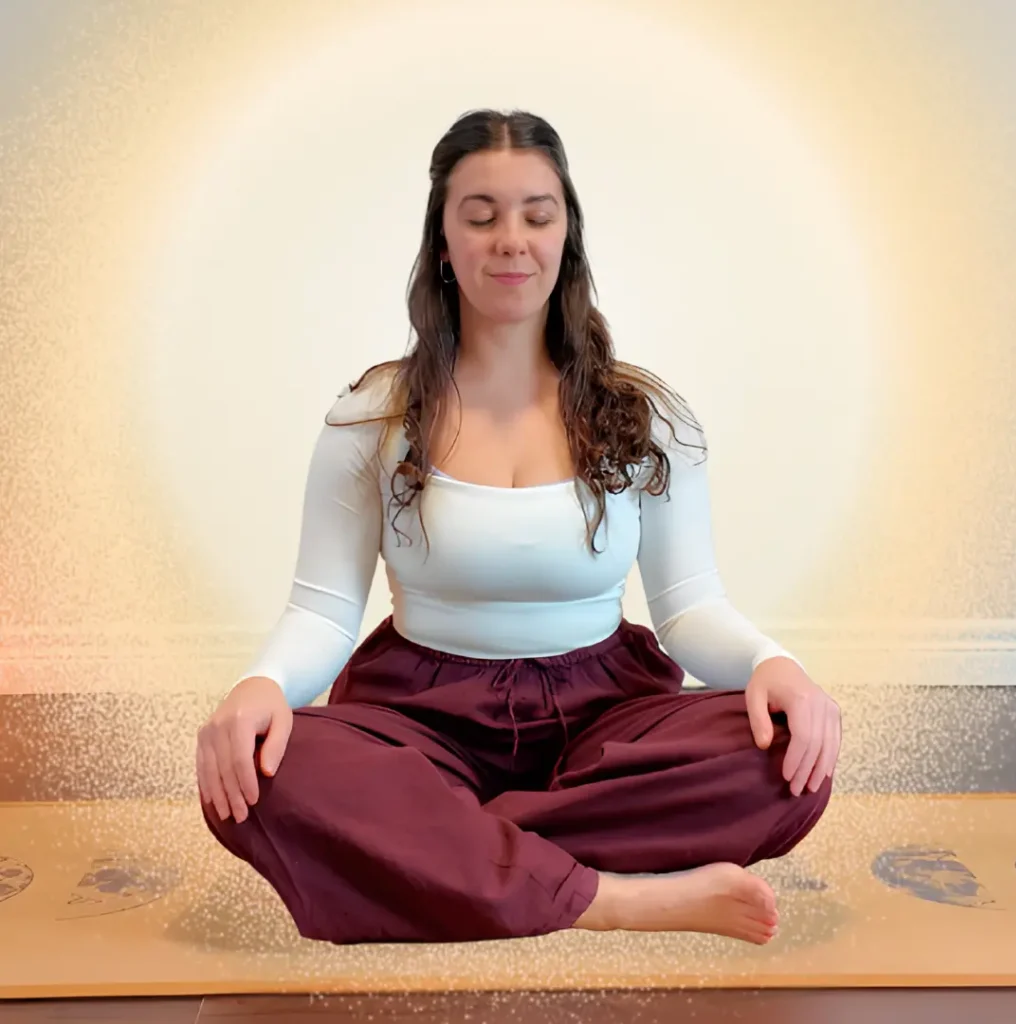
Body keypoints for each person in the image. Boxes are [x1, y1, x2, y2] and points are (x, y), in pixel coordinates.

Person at [196, 108, 840, 948]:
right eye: (481, 215)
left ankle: (440, 850)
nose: (511, 239)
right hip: (419, 717)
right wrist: (261, 686)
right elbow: (322, 611)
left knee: (785, 757)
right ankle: (614, 897)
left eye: (538, 215)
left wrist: (773, 663)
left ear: (567, 238)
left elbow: (687, 608)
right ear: (443, 242)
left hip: (606, 718)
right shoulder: (371, 417)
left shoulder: (649, 419)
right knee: (266, 776)